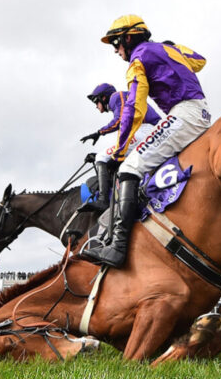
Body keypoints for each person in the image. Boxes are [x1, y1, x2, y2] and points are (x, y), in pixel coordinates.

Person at [82, 14, 210, 268]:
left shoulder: (137, 60)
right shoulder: (164, 49)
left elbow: (134, 108)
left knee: (129, 167)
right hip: (201, 112)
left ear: (128, 38)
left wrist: (119, 150)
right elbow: (199, 61)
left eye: (116, 44)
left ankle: (117, 248)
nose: (116, 51)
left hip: (184, 114)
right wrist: (171, 48)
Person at [78, 83, 161, 213]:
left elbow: (119, 121)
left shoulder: (116, 97)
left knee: (102, 157)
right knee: (110, 158)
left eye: (96, 101)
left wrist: (99, 132)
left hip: (145, 130)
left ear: (103, 98)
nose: (96, 106)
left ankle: (103, 200)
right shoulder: (119, 100)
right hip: (148, 131)